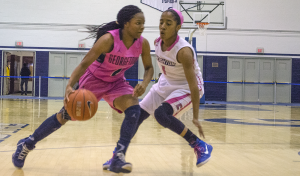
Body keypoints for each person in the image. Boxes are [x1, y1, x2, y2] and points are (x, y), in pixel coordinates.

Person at [12, 5, 154, 174]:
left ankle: (118, 156)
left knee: (133, 108)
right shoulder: (109, 40)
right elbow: (84, 63)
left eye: (143, 23)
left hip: (116, 82)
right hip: (94, 80)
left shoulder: (142, 43)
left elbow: (149, 68)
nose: (142, 27)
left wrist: (145, 83)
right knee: (64, 115)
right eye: (138, 23)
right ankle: (27, 143)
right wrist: (70, 85)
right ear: (126, 23)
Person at [103, 8, 213, 169]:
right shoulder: (156, 43)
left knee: (161, 114)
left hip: (186, 87)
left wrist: (195, 117)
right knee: (136, 117)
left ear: (178, 27)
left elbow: (194, 86)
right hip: (165, 83)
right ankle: (117, 155)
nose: (162, 26)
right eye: (161, 22)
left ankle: (199, 144)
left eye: (168, 23)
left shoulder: (184, 51)